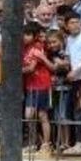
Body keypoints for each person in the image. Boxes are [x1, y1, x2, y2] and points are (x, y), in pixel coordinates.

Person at [61, 13, 81, 154]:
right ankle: (76, 142)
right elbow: (68, 58)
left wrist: (76, 72)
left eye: (77, 22)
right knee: (73, 110)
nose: (75, 25)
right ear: (66, 26)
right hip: (73, 79)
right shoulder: (69, 39)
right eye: (71, 22)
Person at [22, 21, 52, 153]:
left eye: (28, 34)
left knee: (42, 115)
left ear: (34, 36)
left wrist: (14, 70)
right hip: (30, 85)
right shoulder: (24, 48)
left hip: (41, 84)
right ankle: (34, 141)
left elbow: (31, 68)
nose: (25, 37)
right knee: (29, 115)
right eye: (23, 34)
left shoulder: (37, 48)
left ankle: (46, 143)